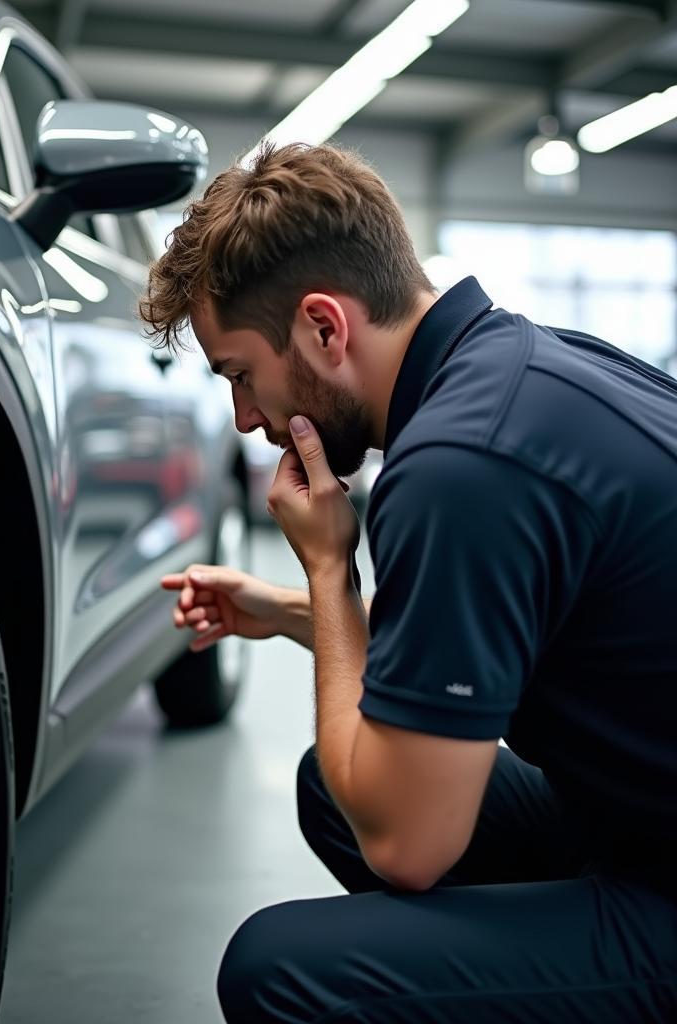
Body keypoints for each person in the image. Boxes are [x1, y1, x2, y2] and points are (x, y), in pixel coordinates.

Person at [142, 143, 677, 1022]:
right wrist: (282, 611)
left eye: (241, 374)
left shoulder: (457, 468)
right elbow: (475, 639)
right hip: (638, 814)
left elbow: (408, 847)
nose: (244, 418)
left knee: (279, 971)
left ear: (323, 327)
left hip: (657, 866)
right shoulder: (520, 367)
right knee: (335, 781)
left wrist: (325, 571)